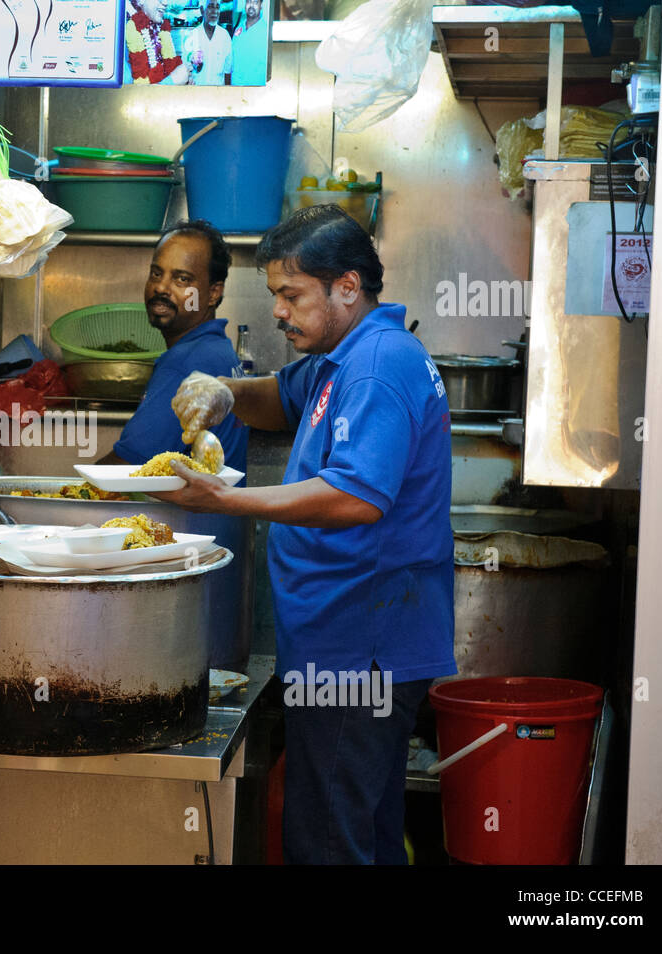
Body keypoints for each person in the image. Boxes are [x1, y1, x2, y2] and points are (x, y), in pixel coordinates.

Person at [157, 205, 456, 864]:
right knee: (362, 831)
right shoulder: (340, 356)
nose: (279, 312)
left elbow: (355, 497)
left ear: (346, 287)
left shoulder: (377, 365)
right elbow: (282, 397)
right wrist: (225, 393)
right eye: (274, 296)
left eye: (291, 295)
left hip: (360, 645)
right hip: (340, 639)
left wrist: (228, 500)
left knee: (327, 841)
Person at [101, 220, 248, 476]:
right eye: (156, 273)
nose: (160, 287)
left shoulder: (187, 362)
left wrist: (66, 496)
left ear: (213, 293)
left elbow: (127, 470)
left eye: (182, 279)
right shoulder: (217, 348)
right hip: (217, 516)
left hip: (192, 516)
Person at [124, 0, 190, 84]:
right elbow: (127, 93)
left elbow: (169, 68)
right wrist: (173, 80)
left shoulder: (162, 29)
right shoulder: (124, 33)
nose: (165, 3)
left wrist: (183, 80)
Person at [183, 0, 232, 86]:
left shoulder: (225, 36)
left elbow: (227, 71)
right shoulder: (192, 36)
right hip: (196, 92)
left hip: (218, 92)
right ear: (202, 10)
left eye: (217, 7)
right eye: (210, 6)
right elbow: (185, 69)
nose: (215, 11)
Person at [231, 0, 268, 86]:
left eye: (255, 2)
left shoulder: (267, 32)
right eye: (248, 2)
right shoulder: (238, 29)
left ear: (261, 5)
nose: (251, 5)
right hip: (235, 88)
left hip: (255, 91)